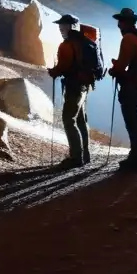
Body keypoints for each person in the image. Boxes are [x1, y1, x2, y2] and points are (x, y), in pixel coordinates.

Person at [47, 14, 91, 168]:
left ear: (71, 26)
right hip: (84, 86)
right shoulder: (84, 42)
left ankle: (76, 157)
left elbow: (63, 66)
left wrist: (54, 72)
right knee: (80, 120)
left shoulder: (67, 44)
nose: (61, 27)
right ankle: (85, 154)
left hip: (74, 86)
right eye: (61, 25)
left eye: (64, 25)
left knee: (69, 120)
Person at [108, 7, 137, 171]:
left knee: (132, 123)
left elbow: (122, 66)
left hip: (130, 86)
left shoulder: (129, 39)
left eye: (120, 22)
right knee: (134, 122)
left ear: (124, 23)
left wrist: (114, 68)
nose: (118, 25)